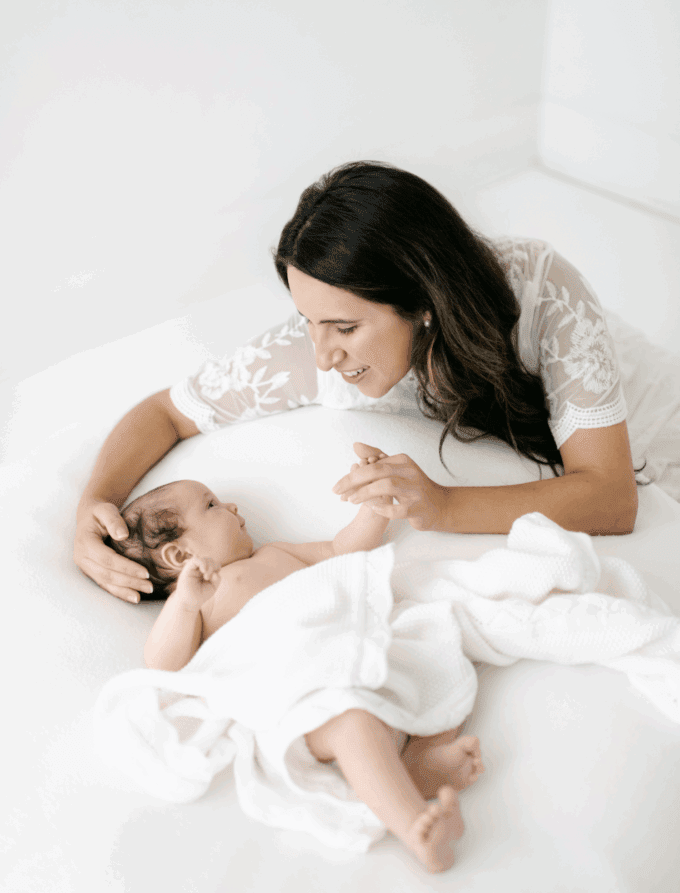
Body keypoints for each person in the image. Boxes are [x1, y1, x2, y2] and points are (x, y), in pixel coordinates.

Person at [75, 161, 639, 604]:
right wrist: (96, 502)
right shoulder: (317, 348)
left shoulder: (545, 297)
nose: (322, 357)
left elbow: (613, 497)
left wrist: (442, 506)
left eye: (345, 326)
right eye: (308, 322)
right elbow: (165, 412)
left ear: (423, 303)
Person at [109, 446, 484, 874]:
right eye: (211, 506)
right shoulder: (195, 602)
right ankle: (416, 828)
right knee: (353, 725)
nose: (231, 507)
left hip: (348, 652)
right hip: (302, 695)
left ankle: (421, 759)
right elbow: (163, 665)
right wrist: (185, 605)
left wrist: (375, 509)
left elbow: (342, 551)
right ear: (179, 555)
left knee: (435, 651)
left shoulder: (274, 554)